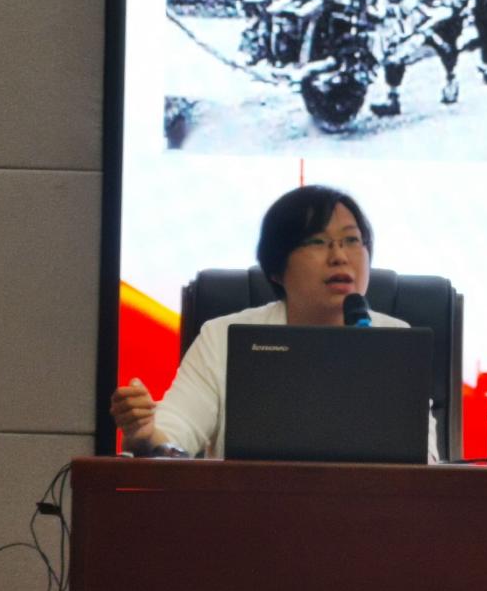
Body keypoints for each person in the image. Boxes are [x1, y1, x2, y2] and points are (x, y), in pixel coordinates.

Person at [110, 185, 440, 462]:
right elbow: (175, 434)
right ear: (276, 269)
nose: (339, 256)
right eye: (317, 242)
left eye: (352, 240)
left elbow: (425, 463)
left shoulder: (397, 339)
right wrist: (146, 434)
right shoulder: (222, 337)